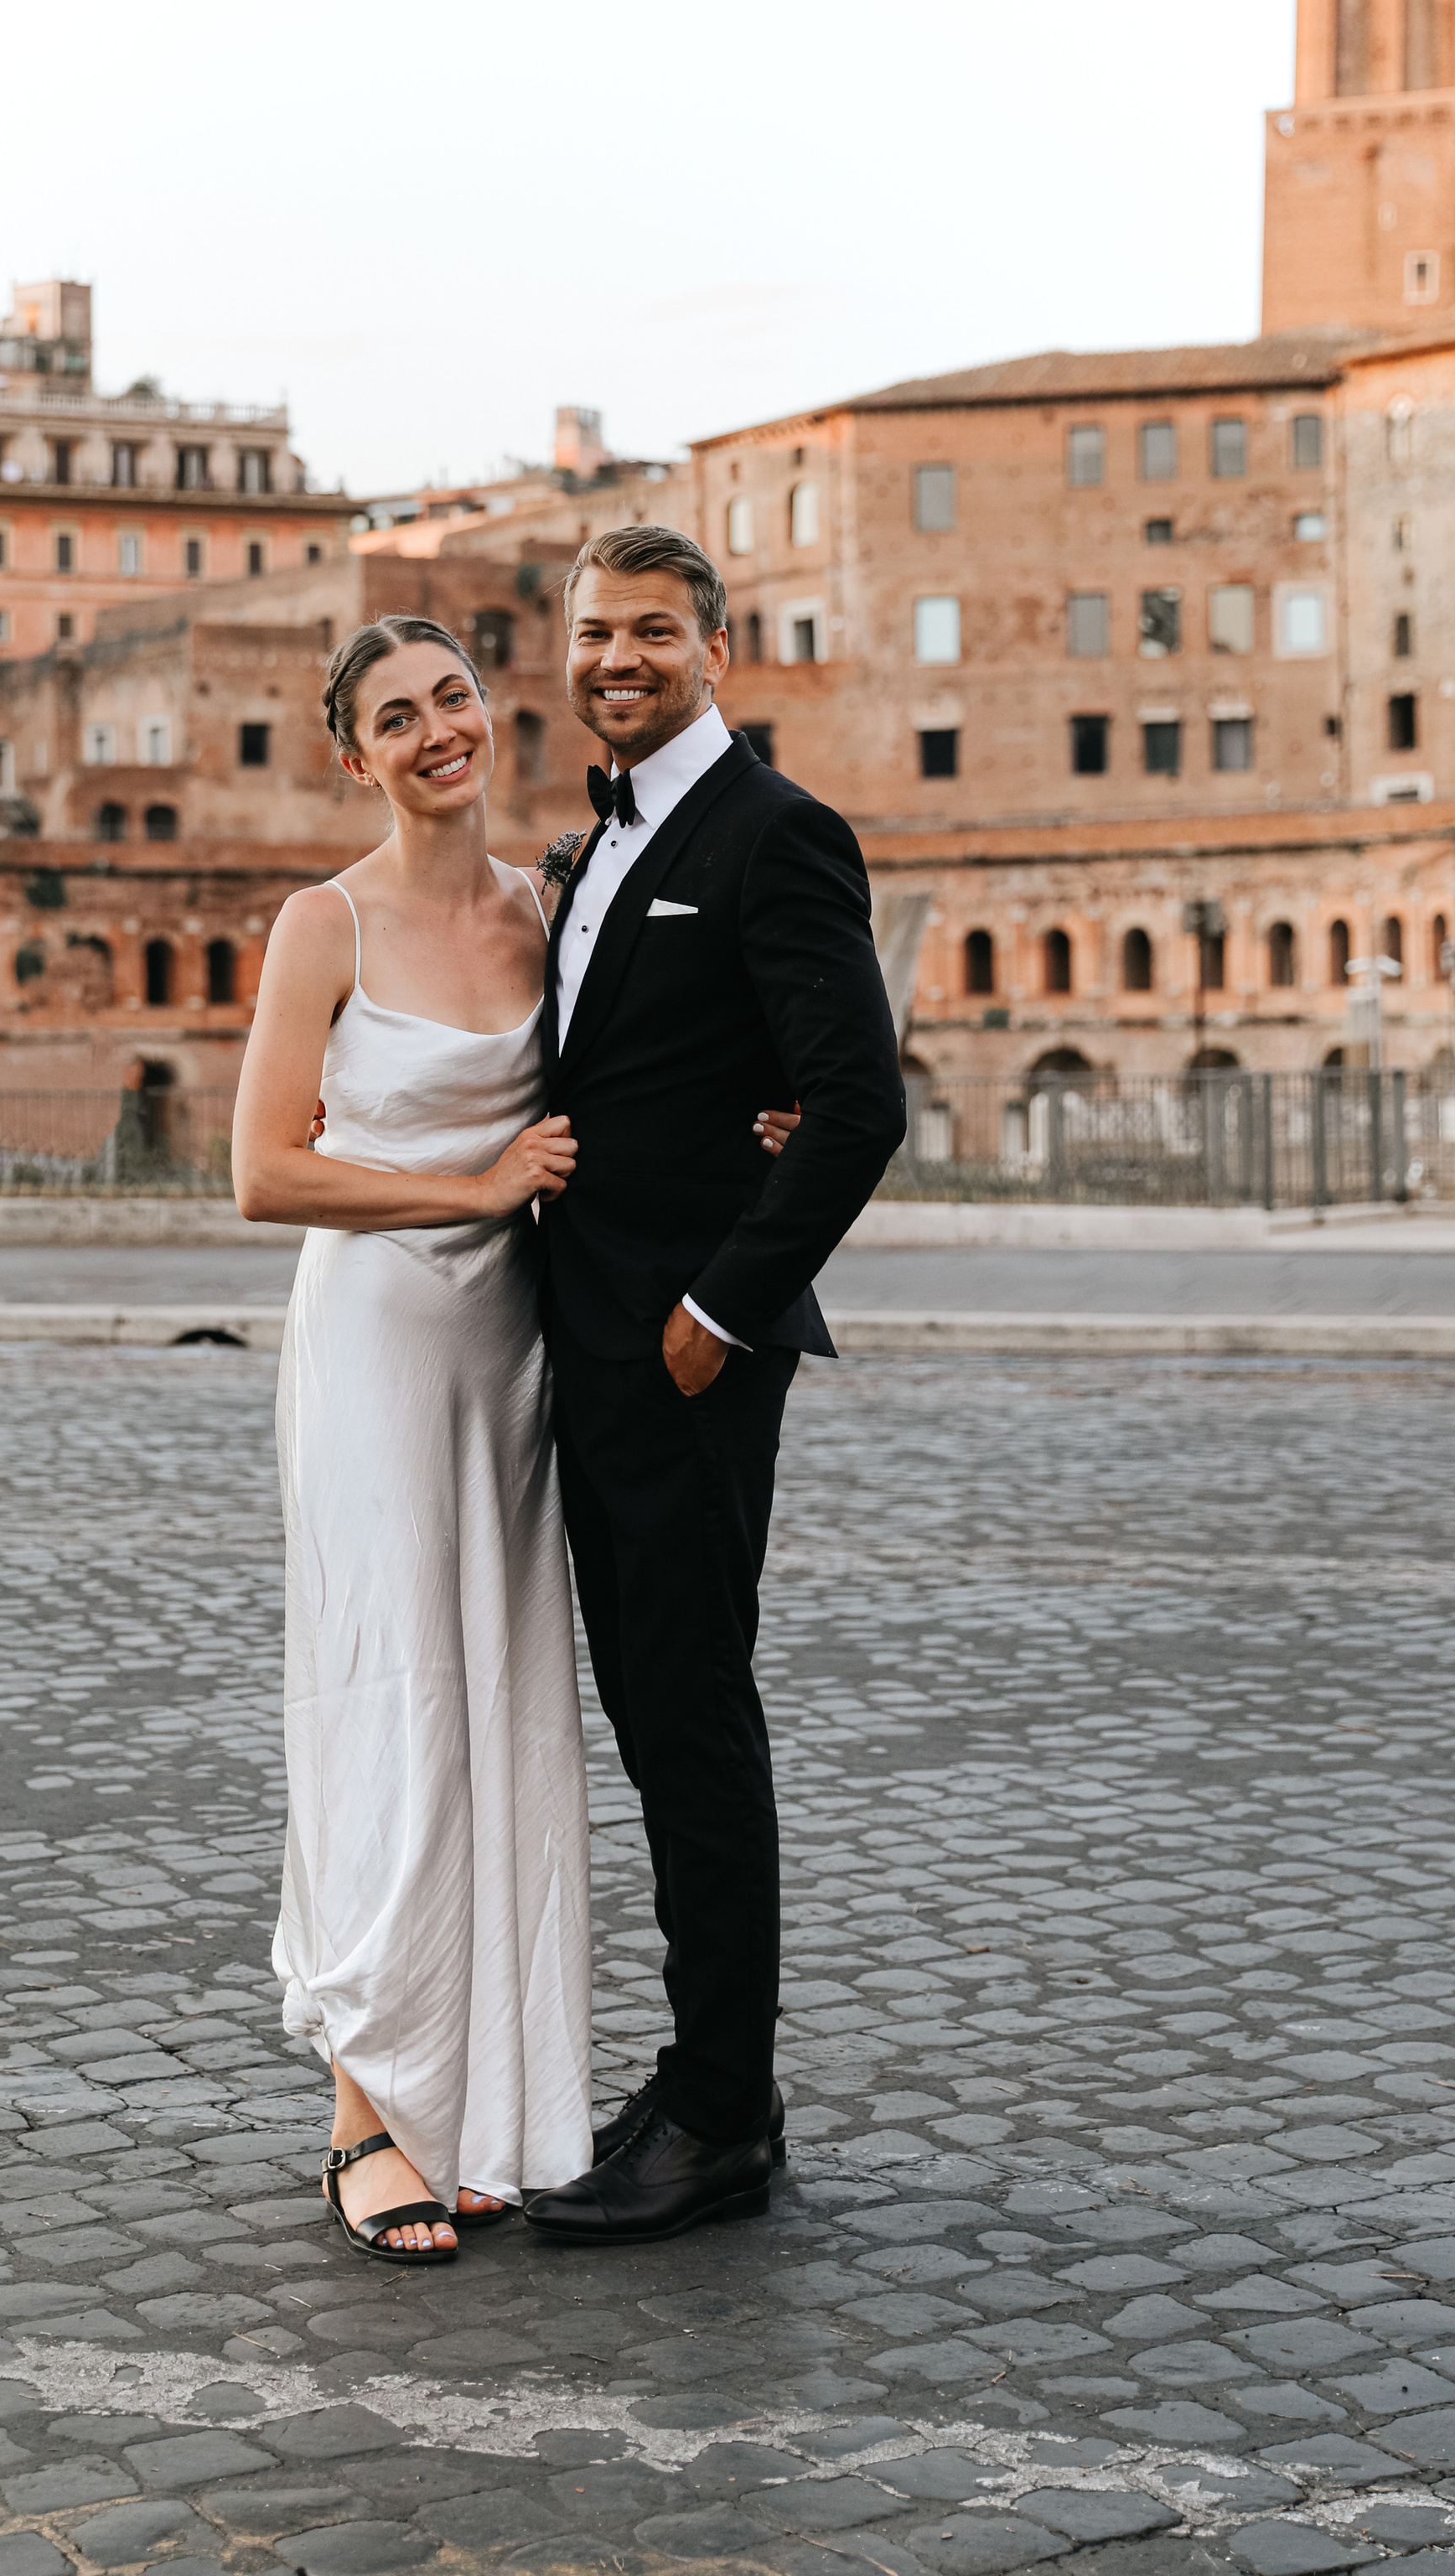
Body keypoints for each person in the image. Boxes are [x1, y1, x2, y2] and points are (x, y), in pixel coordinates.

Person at [232, 612, 800, 2266]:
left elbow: (646, 1074)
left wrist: (764, 1117)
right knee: (384, 1698)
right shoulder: (317, 923)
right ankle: (362, 2105)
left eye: (454, 698)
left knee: (492, 1709)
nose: (433, 733)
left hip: (514, 1358)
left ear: (491, 713)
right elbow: (263, 1172)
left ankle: (465, 2105)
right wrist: (463, 1191)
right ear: (353, 755)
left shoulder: (547, 911)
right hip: (375, 1353)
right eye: (394, 717)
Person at [519, 521, 906, 2248]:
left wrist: (715, 1315)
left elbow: (855, 1106)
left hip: (675, 1362)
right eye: (595, 633)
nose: (618, 658)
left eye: (651, 633)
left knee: (689, 1723)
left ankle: (722, 2112)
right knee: (656, 1720)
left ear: (714, 652)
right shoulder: (585, 846)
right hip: (577, 1347)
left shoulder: (774, 834)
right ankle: (699, 2078)